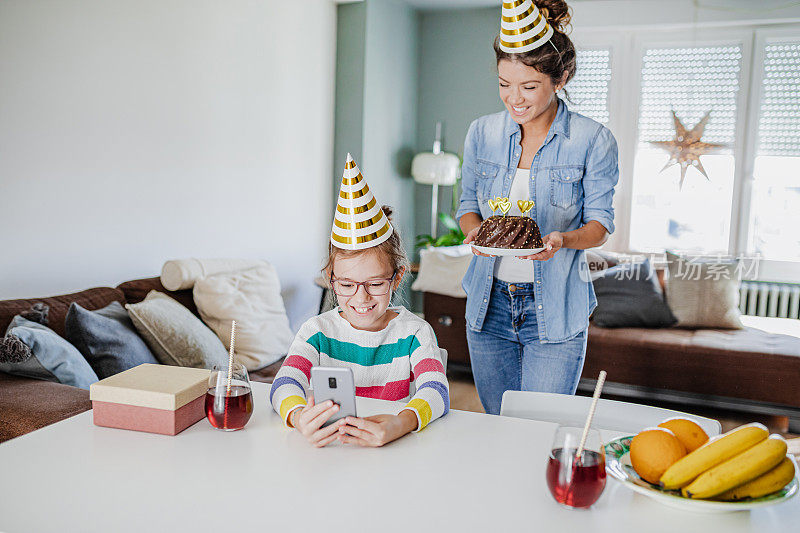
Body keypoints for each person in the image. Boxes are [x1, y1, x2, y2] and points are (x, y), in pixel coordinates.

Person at [457, 0, 619, 415]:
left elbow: (600, 225)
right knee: (497, 422)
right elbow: (468, 206)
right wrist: (474, 231)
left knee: (538, 426)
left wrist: (563, 239)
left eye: (528, 86)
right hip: (488, 303)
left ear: (560, 78)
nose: (515, 98)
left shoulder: (592, 140)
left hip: (556, 307)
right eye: (503, 84)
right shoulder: (482, 133)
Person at [270, 154, 449, 447]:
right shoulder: (316, 332)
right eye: (347, 284)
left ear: (397, 277)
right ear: (331, 278)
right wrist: (299, 415)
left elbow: (437, 390)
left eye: (376, 283)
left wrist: (401, 423)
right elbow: (283, 384)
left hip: (394, 452)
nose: (361, 297)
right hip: (331, 456)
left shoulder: (414, 333)